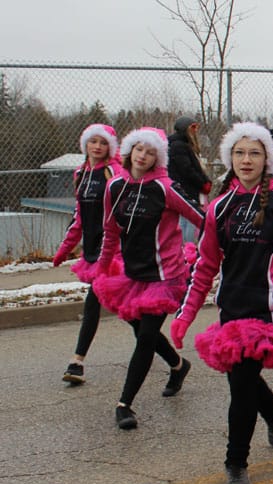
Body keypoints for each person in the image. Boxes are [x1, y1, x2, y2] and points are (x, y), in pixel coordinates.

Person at [170, 122, 273, 484]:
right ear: (230, 158)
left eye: (255, 153)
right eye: (240, 153)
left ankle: (236, 463)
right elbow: (205, 267)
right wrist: (185, 315)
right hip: (232, 312)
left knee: (240, 387)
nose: (246, 160)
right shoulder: (219, 208)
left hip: (271, 313)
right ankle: (272, 409)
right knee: (241, 381)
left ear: (266, 160)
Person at [93, 127, 205, 430]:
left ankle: (124, 404)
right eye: (139, 149)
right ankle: (178, 365)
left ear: (158, 158)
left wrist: (211, 254)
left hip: (165, 275)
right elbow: (110, 231)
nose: (143, 156)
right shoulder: (115, 186)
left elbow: (202, 219)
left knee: (145, 338)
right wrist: (102, 267)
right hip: (131, 275)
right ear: (130, 151)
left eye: (151, 152)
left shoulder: (165, 188)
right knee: (143, 332)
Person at [53, 124, 123, 385]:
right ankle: (174, 361)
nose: (97, 147)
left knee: (94, 303)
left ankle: (77, 361)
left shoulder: (113, 172)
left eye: (103, 143)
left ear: (110, 147)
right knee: (132, 314)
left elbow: (123, 213)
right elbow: (79, 217)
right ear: (85, 145)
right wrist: (65, 248)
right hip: (93, 249)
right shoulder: (80, 174)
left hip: (115, 251)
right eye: (93, 141)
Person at [167, 115, 211, 241]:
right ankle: (187, 247)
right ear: (185, 129)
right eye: (192, 128)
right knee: (187, 220)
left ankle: (186, 245)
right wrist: (202, 183)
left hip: (186, 187)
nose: (195, 131)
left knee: (186, 220)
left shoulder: (181, 144)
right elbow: (187, 170)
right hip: (185, 188)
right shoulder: (178, 146)